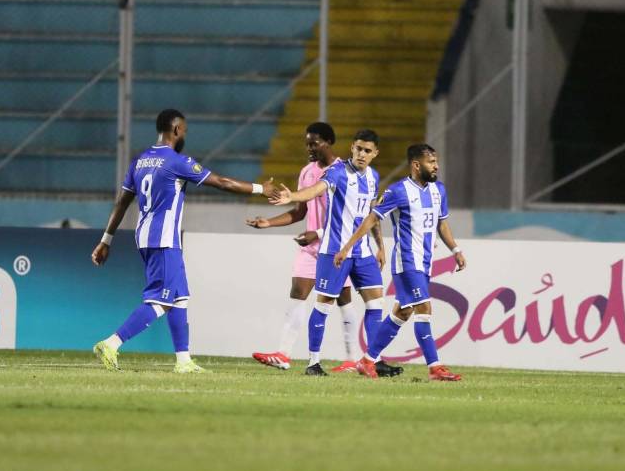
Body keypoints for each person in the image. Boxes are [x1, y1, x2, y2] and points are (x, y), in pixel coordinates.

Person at [91, 108, 276, 373]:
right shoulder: (177, 161)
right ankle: (111, 343)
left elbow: (121, 203)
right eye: (185, 130)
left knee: (179, 297)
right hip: (164, 238)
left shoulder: (139, 161)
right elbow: (222, 182)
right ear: (176, 130)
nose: (185, 134)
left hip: (146, 236)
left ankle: (184, 360)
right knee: (160, 299)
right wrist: (261, 189)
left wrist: (106, 240)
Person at [271, 129, 402, 378]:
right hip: (334, 251)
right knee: (325, 305)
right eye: (358, 148)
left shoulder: (373, 176)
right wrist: (293, 196)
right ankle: (313, 362)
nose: (362, 154)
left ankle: (372, 359)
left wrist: (381, 247)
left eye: (367, 151)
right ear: (352, 147)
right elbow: (315, 190)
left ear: (375, 153)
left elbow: (373, 213)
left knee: (376, 304)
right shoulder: (338, 172)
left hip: (363, 253)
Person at [334, 144, 466, 381]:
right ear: (416, 165)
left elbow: (442, 223)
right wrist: (348, 246)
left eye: (436, 161)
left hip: (425, 262)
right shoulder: (398, 191)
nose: (436, 166)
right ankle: (435, 367)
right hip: (407, 262)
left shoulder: (439, 191)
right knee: (424, 308)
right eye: (431, 162)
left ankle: (367, 360)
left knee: (402, 312)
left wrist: (455, 249)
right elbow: (372, 218)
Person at [247, 122, 360, 373]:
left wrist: (317, 233)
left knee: (344, 301)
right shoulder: (307, 171)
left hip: (337, 249)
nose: (309, 148)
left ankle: (353, 359)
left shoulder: (346, 173)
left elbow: (351, 217)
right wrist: (268, 223)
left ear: (329, 142)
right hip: (311, 249)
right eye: (307, 143)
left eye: (314, 143)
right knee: (298, 292)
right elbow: (300, 211)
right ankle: (284, 354)